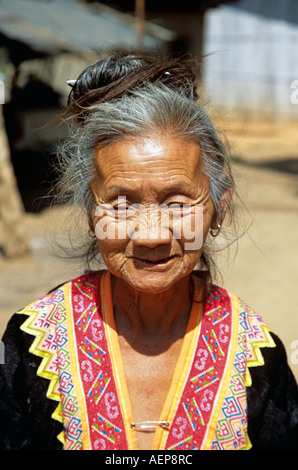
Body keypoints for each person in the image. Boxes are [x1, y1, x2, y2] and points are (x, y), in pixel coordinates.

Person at [0, 53, 297, 451]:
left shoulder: (256, 355)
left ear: (218, 206)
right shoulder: (32, 341)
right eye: (120, 204)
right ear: (90, 211)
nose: (151, 235)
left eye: (177, 203)